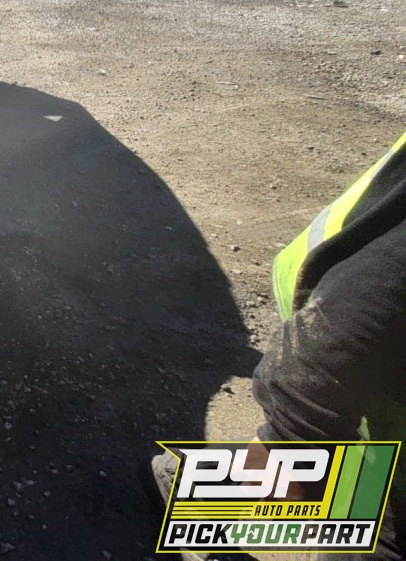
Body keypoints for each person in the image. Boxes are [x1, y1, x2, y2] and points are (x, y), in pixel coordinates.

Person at [151, 130, 406, 560]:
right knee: (380, 510)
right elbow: (373, 295)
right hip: (351, 343)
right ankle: (206, 498)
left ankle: (202, 494)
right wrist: (289, 438)